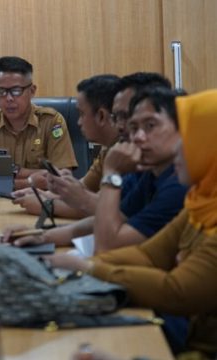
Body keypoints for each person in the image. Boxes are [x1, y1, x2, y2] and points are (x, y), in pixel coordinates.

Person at [47, 88, 217, 359]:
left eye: (188, 137)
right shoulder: (201, 202)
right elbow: (148, 255)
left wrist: (88, 268)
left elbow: (177, 291)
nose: (178, 149)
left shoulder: (181, 189)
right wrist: (75, 265)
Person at [3, 86, 187, 254]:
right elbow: (118, 217)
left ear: (184, 126)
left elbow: (106, 244)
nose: (136, 136)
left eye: (150, 125)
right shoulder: (149, 172)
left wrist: (111, 174)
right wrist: (42, 235)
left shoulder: (178, 185)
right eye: (133, 125)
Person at [12, 74, 121, 218]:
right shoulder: (107, 148)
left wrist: (48, 206)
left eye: (82, 114)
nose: (79, 122)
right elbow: (83, 190)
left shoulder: (126, 152)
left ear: (101, 116)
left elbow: (105, 210)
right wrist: (43, 194)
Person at [0, 56, 77, 190]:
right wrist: (30, 181)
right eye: (1, 91)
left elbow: (63, 179)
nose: (8, 98)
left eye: (16, 91)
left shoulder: (51, 121)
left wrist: (6, 175)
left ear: (32, 91)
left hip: (40, 204)